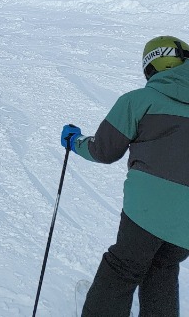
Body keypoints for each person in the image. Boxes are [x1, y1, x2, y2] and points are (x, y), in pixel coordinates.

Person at [61, 35, 189, 317]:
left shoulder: (140, 100)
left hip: (148, 209)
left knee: (122, 268)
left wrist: (74, 141)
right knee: (163, 269)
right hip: (186, 225)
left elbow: (103, 151)